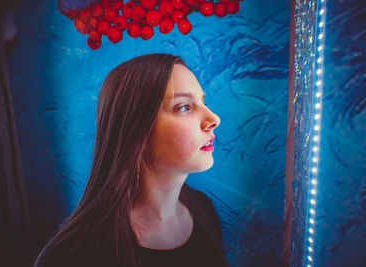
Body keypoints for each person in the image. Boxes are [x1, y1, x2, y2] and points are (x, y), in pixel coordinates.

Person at [33, 53, 227, 267]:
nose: (214, 119)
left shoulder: (203, 209)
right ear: (136, 130)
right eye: (184, 107)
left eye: (203, 101)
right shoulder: (71, 256)